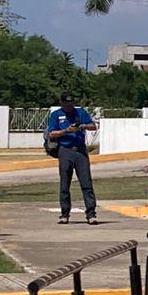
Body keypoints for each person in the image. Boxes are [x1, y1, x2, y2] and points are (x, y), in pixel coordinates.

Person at [45, 94, 99, 225]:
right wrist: (65, 131)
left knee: (86, 183)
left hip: (80, 150)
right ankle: (64, 214)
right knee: (65, 183)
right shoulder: (56, 115)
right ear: (61, 103)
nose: (69, 106)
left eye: (71, 103)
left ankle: (91, 213)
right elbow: (51, 133)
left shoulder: (80, 112)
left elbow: (94, 126)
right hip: (65, 150)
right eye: (66, 103)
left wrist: (83, 126)